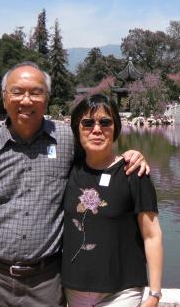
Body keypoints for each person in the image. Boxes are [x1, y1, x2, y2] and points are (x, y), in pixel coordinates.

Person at [0, 61, 149, 307]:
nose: (26, 100)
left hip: (46, 281)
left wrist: (130, 156)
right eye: (17, 92)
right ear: (4, 98)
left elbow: (99, 157)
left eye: (36, 92)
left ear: (46, 99)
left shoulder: (66, 139)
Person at [63, 94, 163, 307]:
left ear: (115, 128)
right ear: (77, 129)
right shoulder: (68, 170)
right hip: (74, 289)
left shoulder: (133, 173)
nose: (96, 129)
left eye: (105, 122)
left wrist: (154, 294)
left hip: (122, 291)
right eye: (87, 123)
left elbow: (152, 235)